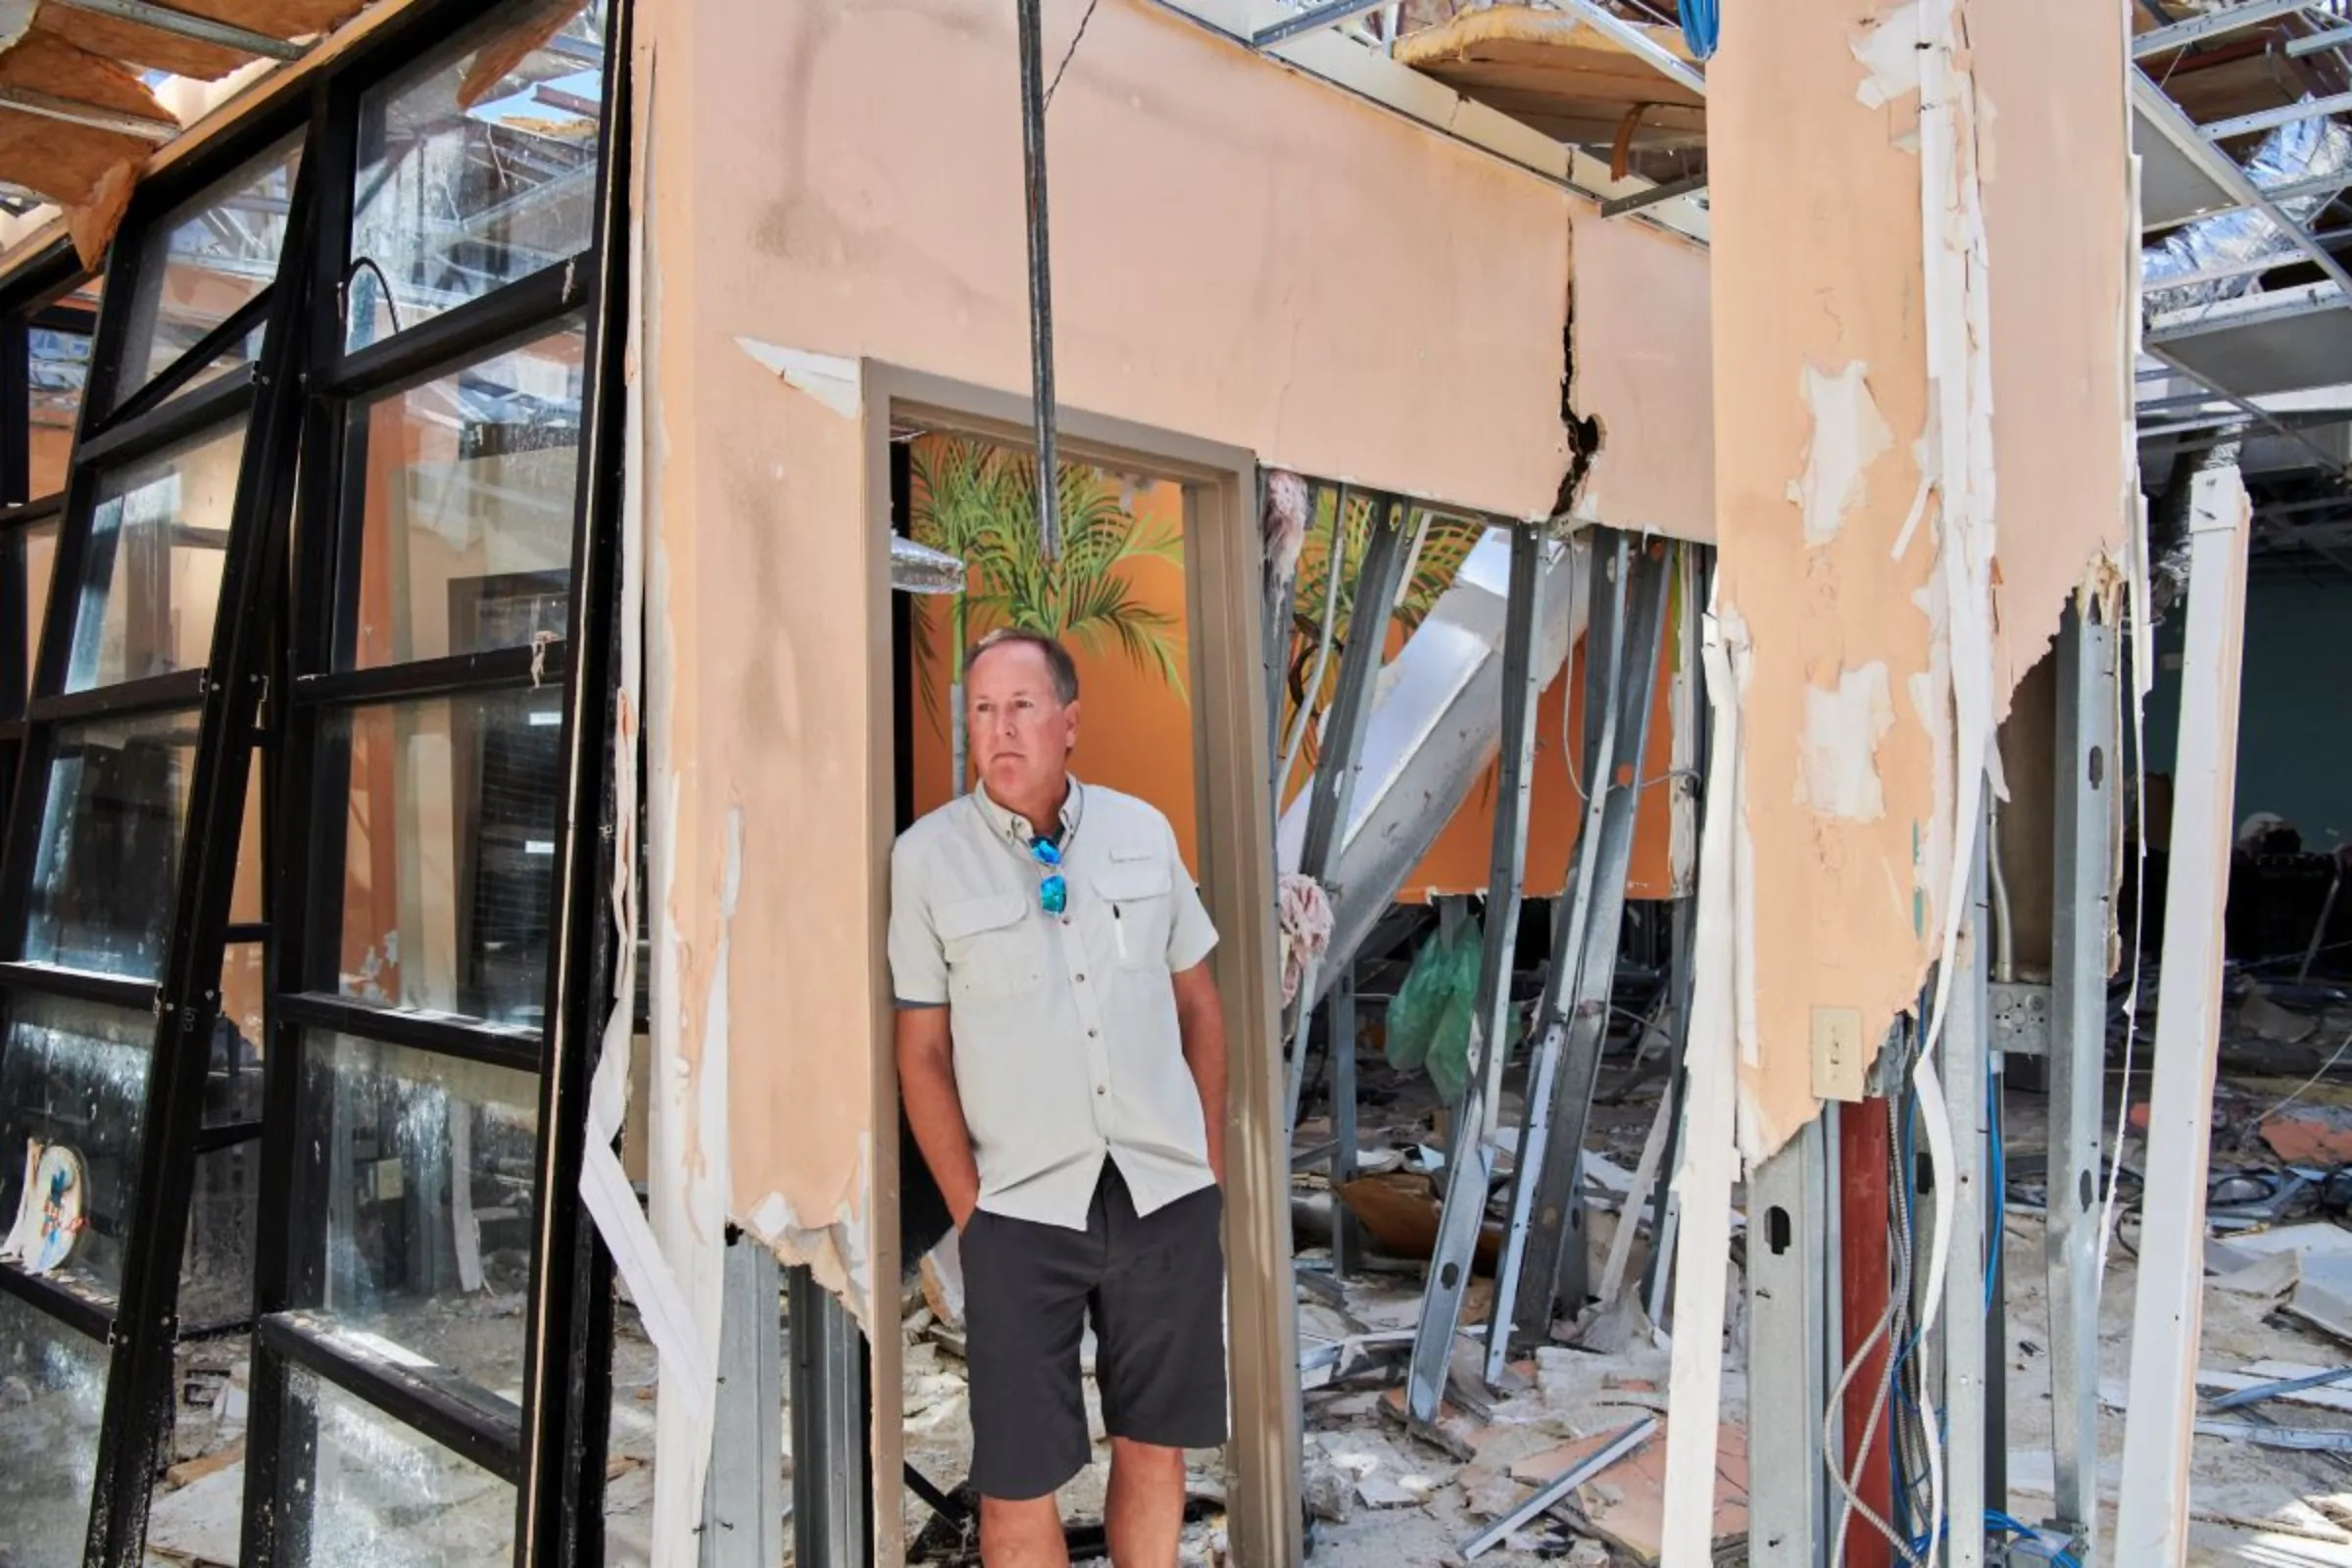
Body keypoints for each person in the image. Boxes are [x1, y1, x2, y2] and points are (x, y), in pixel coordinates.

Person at [889, 627, 1231, 1568]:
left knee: (1156, 1447)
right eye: (982, 711)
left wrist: (1206, 1163)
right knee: (1016, 1482)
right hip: (1021, 1209)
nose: (997, 731)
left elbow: (1199, 1001)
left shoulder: (1141, 833)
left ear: (1070, 721)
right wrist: (973, 1213)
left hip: (1161, 1195)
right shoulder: (926, 862)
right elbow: (919, 1053)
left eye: (1021, 707)